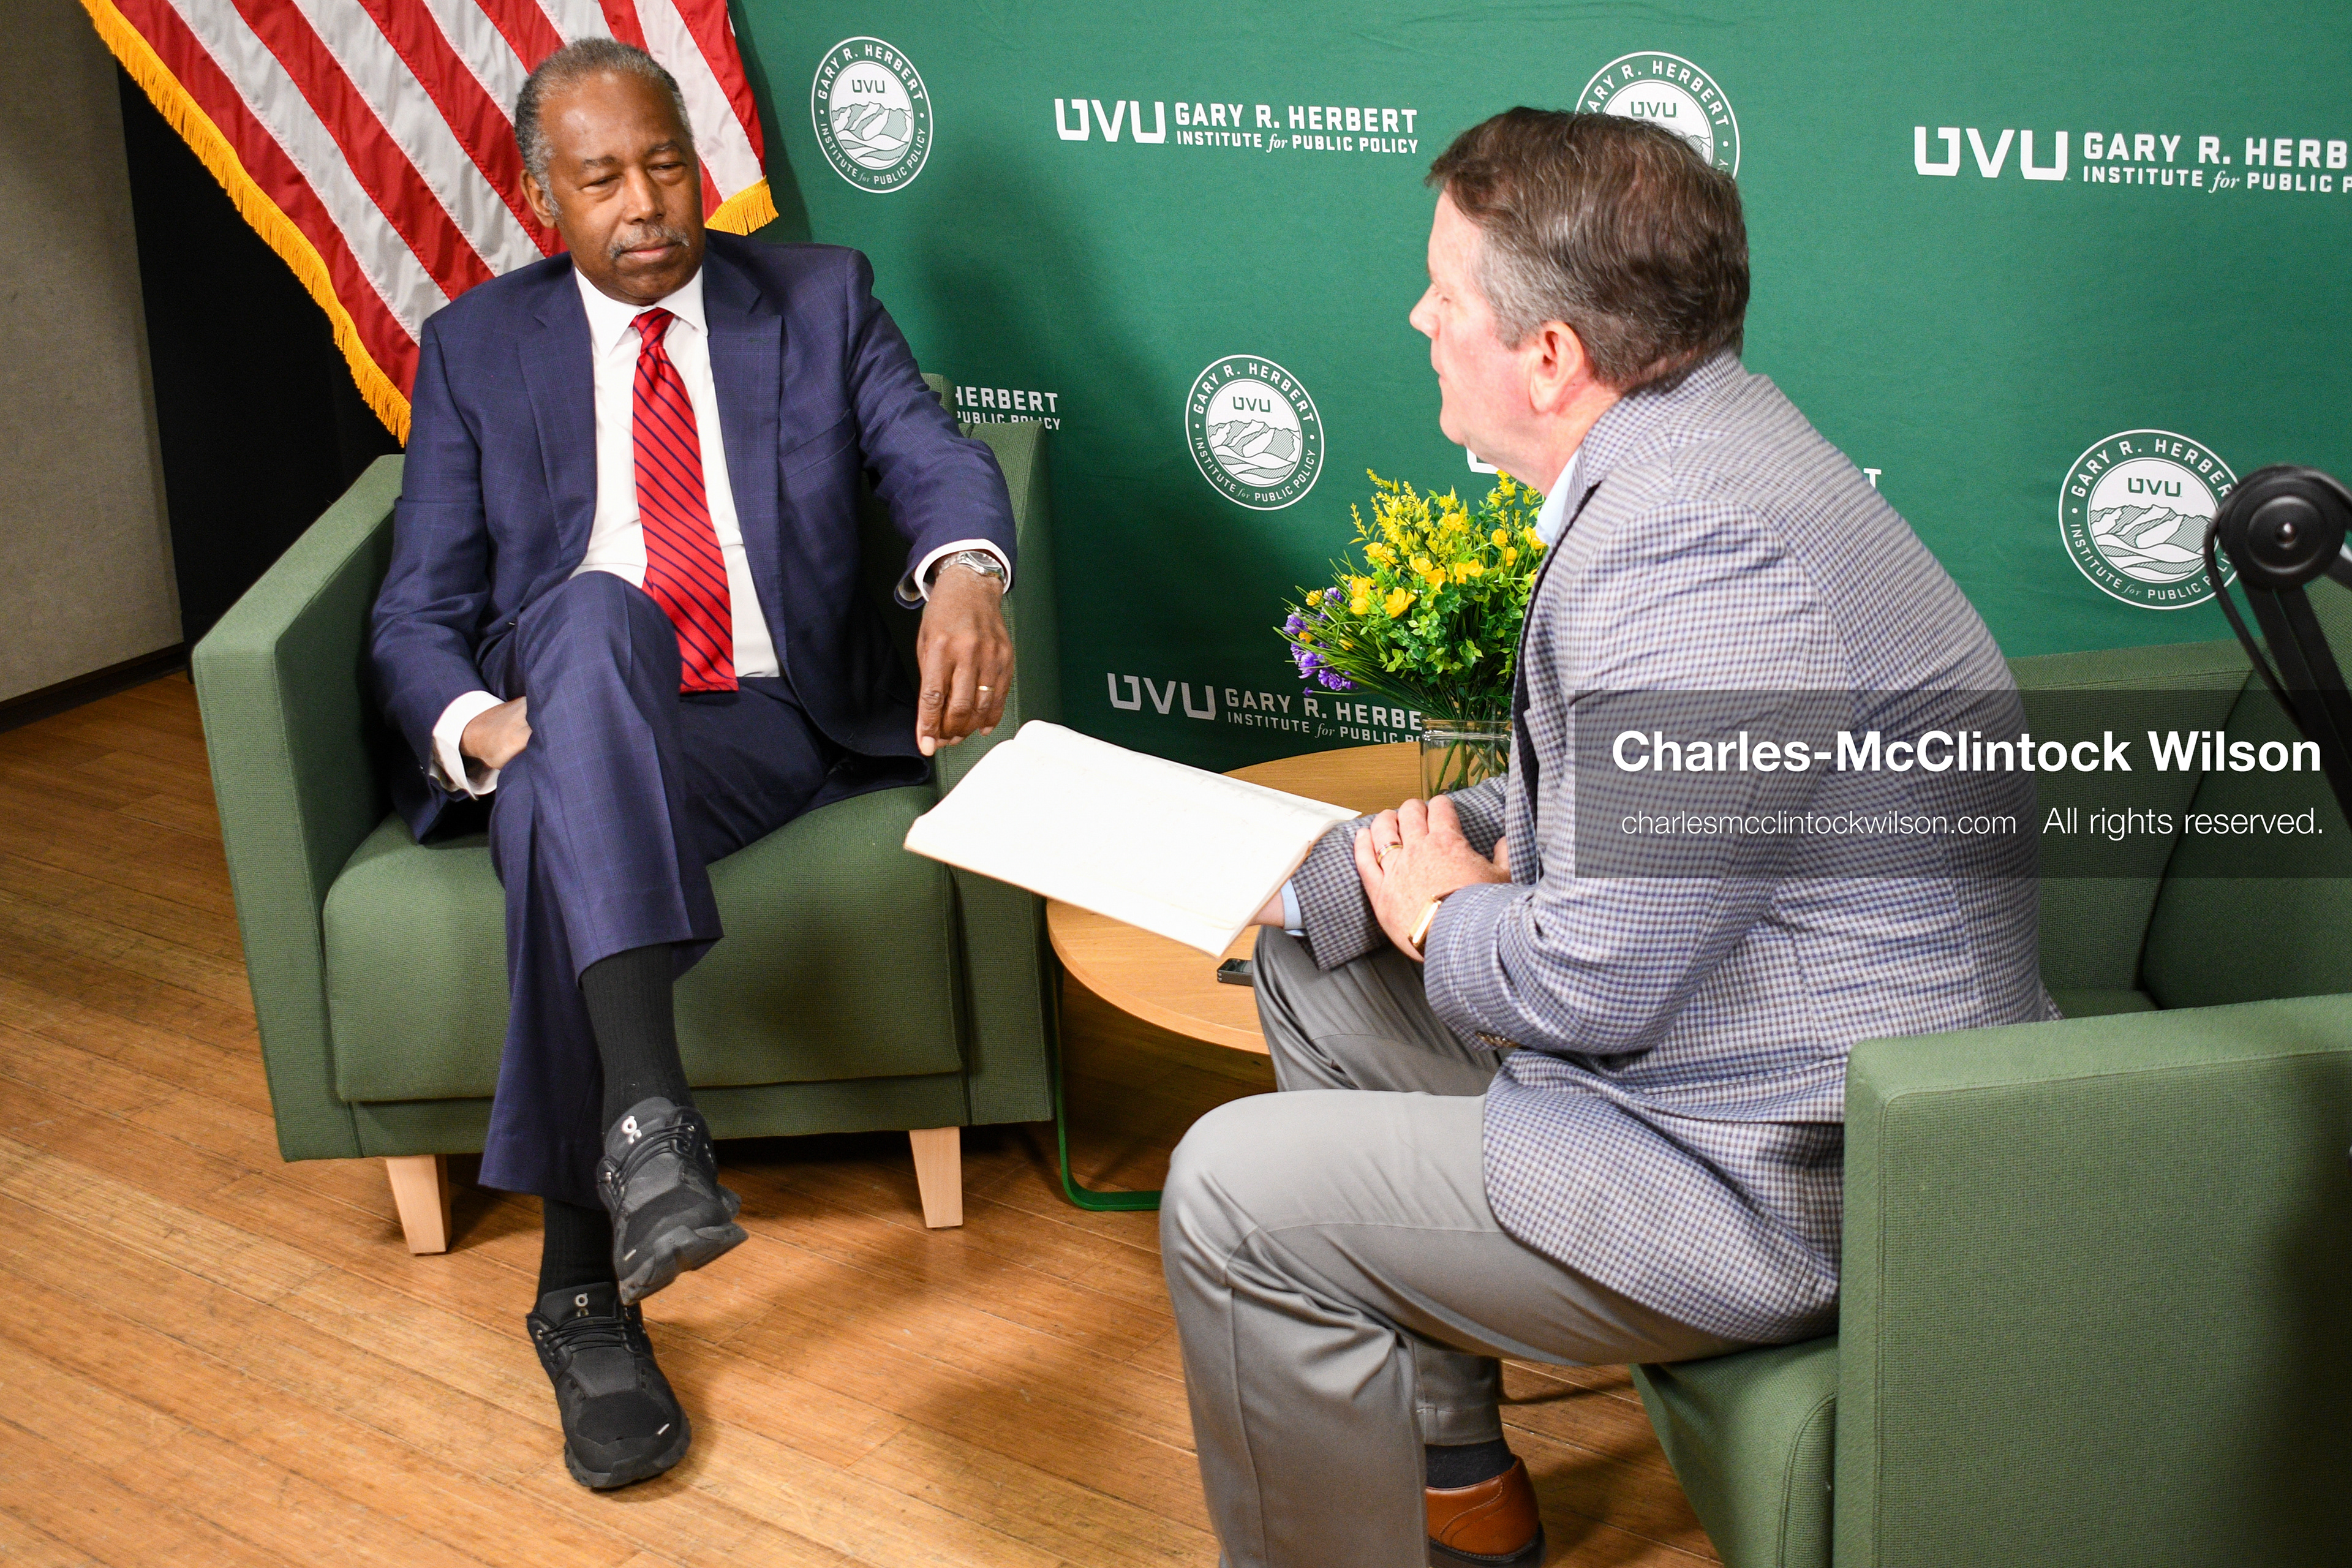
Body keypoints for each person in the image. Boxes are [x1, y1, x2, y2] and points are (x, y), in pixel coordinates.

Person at [1159, 109, 2054, 1568]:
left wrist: (1447, 912)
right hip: (1751, 1073)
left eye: (1445, 292)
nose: (1421, 316)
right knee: (1318, 965)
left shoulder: (1694, 539)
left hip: (1793, 1173)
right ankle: (1456, 1482)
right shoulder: (1712, 450)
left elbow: (1594, 982)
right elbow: (1640, 793)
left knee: (1232, 1192)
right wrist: (1335, 876)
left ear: (1554, 355)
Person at [369, 39, 1016, 1490]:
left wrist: (967, 568)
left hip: (769, 719)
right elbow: (418, 609)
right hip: (569, 707)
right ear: (548, 196)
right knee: (586, 639)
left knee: (568, 757)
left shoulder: (819, 294)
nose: (646, 203)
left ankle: (585, 1282)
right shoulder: (478, 344)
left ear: (697, 162)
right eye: (603, 177)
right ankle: (645, 1146)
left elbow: (927, 451)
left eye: (666, 164)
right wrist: (482, 727)